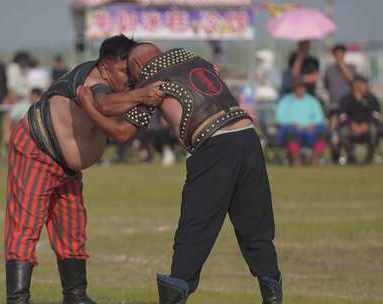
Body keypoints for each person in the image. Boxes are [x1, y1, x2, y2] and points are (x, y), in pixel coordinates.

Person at [77, 43, 282, 304]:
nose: (132, 80)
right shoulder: (195, 60)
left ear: (138, 65)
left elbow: (121, 132)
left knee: (194, 229)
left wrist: (88, 106)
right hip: (248, 139)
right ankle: (273, 296)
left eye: (131, 72)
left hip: (214, 146)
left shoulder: (152, 80)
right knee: (256, 227)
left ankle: (175, 295)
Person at [4, 35, 163, 304]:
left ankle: (75, 296)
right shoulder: (93, 83)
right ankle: (17, 299)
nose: (129, 77)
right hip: (36, 151)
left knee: (72, 228)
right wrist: (140, 95)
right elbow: (104, 105)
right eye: (125, 71)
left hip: (65, 167)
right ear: (106, 66)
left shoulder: (121, 85)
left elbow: (123, 129)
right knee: (25, 226)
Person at [275, 80, 326, 166]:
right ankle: (296, 159)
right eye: (298, 88)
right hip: (292, 129)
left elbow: (319, 117)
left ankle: (315, 158)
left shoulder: (312, 101)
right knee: (289, 131)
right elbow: (279, 117)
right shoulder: (285, 100)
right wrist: (292, 124)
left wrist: (313, 124)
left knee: (323, 129)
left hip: (310, 130)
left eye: (302, 88)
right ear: (294, 89)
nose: (300, 90)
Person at [324, 44, 356, 163]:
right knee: (333, 128)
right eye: (336, 53)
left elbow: (353, 81)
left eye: (341, 53)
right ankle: (335, 152)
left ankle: (350, 153)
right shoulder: (329, 70)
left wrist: (342, 65)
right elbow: (327, 86)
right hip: (335, 105)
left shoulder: (351, 67)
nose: (338, 55)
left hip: (349, 106)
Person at [338, 75, 380, 164]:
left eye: (364, 84)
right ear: (354, 85)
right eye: (360, 84)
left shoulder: (372, 99)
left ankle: (369, 157)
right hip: (351, 128)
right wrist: (352, 125)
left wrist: (366, 125)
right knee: (343, 132)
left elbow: (375, 115)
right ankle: (351, 157)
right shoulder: (345, 99)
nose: (364, 86)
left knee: (374, 130)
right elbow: (342, 116)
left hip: (367, 127)